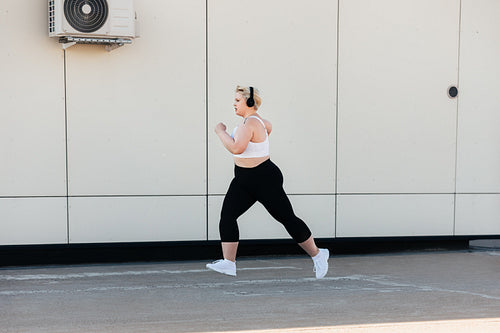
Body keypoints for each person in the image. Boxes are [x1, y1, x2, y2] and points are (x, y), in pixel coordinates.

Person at [206, 85, 329, 279]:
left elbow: (237, 148)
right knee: (227, 216)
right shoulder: (257, 123)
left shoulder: (250, 124)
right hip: (243, 179)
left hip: (264, 179)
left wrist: (220, 131)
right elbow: (263, 132)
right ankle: (229, 263)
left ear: (249, 102)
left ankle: (318, 254)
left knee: (288, 219)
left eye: (237, 100)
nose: (234, 104)